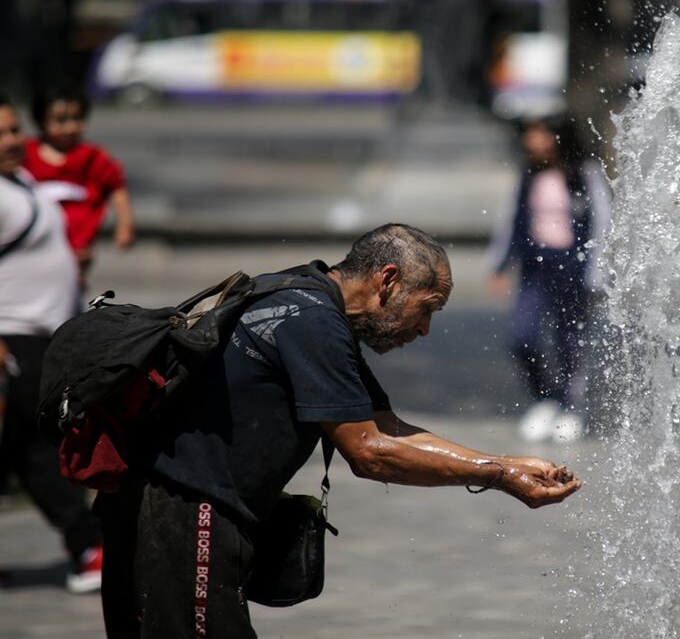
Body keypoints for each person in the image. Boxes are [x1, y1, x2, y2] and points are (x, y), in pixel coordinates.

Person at [95, 223, 582, 638]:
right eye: (427, 307)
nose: (425, 329)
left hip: (170, 502)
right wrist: (496, 476)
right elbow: (369, 453)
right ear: (388, 280)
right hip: (183, 508)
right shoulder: (314, 321)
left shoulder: (304, 295)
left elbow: (386, 426)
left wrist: (506, 462)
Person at [0, 94, 104, 592]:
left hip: (44, 335)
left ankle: (89, 544)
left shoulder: (17, 183)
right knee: (39, 449)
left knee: (22, 449)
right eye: (0, 134)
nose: (12, 140)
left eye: (14, 129)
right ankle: (89, 545)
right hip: (15, 340)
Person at [487, 116, 610, 443]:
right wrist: (499, 264)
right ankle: (546, 396)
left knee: (569, 339)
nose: (533, 142)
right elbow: (511, 221)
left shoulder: (585, 175)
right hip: (535, 269)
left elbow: (602, 224)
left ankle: (570, 405)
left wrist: (597, 275)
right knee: (522, 336)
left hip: (573, 269)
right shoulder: (528, 176)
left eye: (540, 134)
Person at [23, 84, 134, 284]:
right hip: (34, 244)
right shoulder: (26, 155)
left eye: (77, 119)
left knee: (71, 286)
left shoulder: (92, 157)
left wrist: (124, 225)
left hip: (78, 247)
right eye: (61, 121)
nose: (70, 127)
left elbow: (116, 188)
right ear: (40, 121)